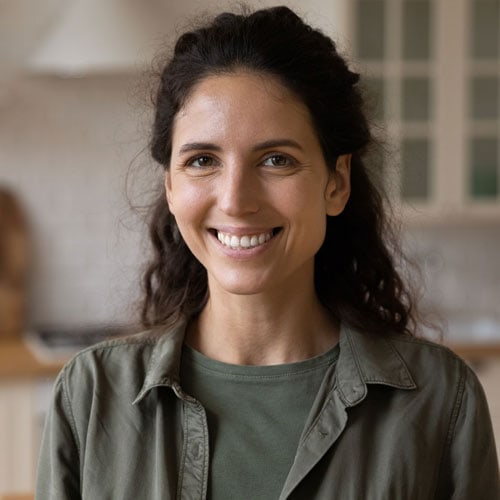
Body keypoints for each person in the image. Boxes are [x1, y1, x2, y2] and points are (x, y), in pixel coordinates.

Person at [36, 6, 499, 499]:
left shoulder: (440, 400)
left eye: (277, 159)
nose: (236, 199)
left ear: (336, 183)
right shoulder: (90, 395)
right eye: (203, 160)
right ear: (171, 186)